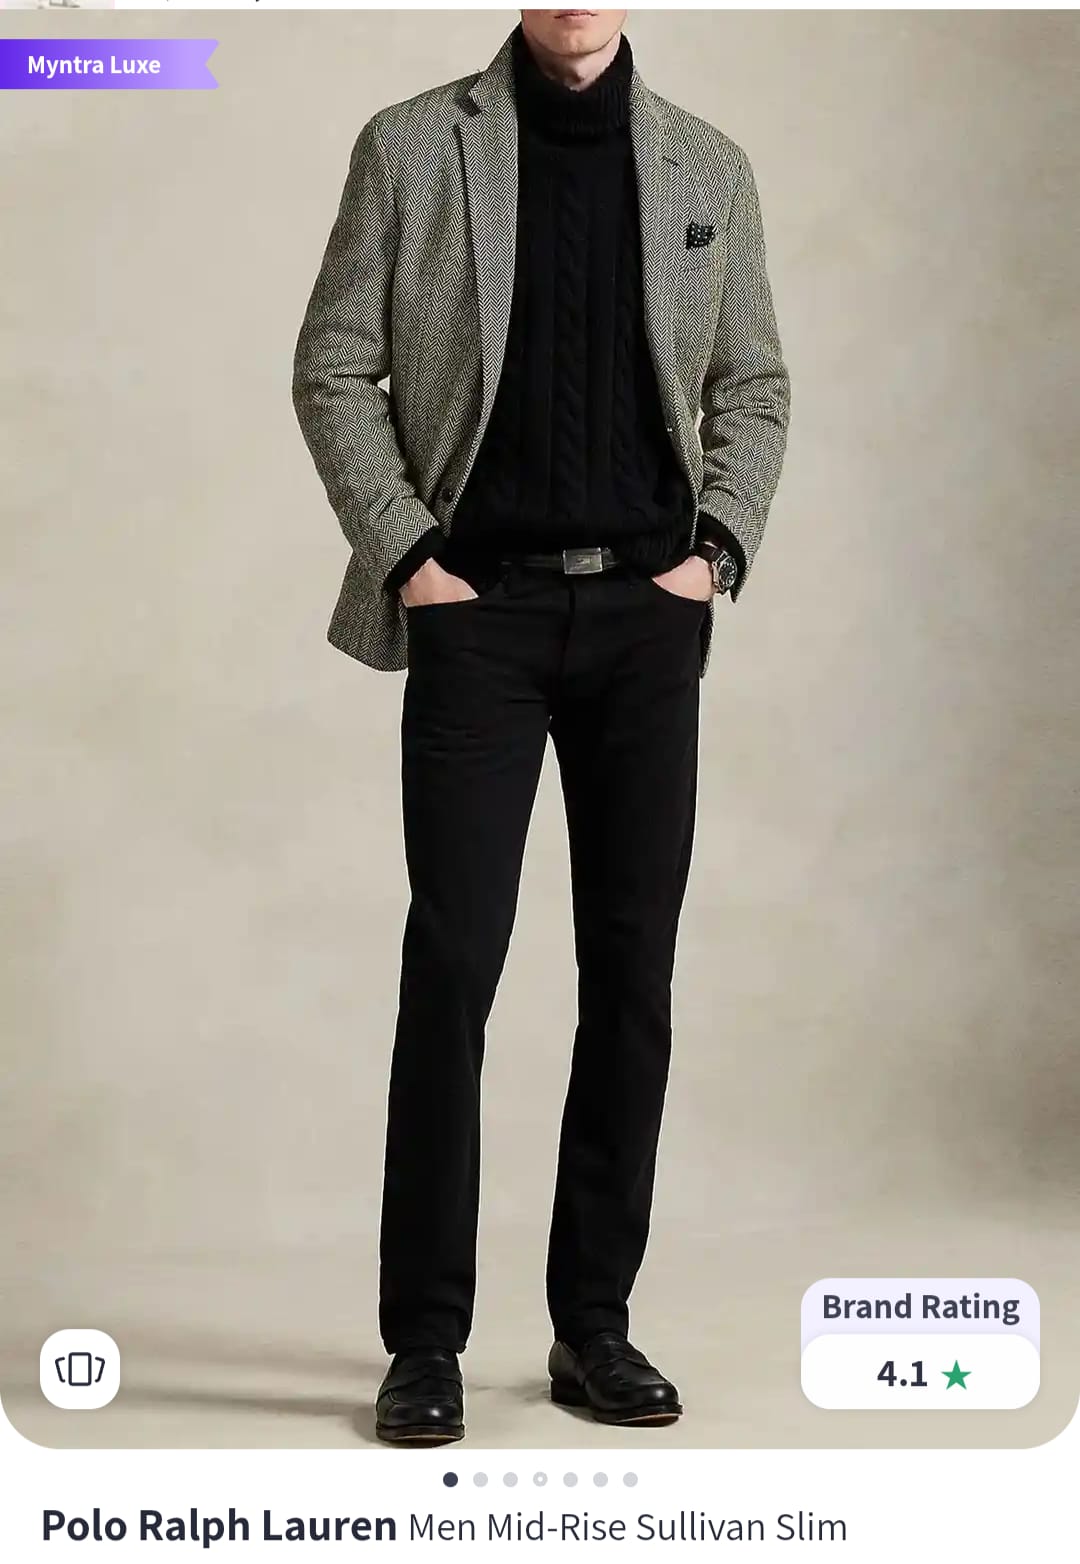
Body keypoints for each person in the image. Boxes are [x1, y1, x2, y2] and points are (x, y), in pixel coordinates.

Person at [292, 9, 790, 1444]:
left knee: (632, 972)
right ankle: (424, 1344)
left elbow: (754, 383)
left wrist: (715, 553)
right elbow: (333, 366)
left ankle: (595, 1326)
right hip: (481, 615)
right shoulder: (410, 147)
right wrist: (410, 557)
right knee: (453, 963)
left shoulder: (708, 165)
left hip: (647, 619)